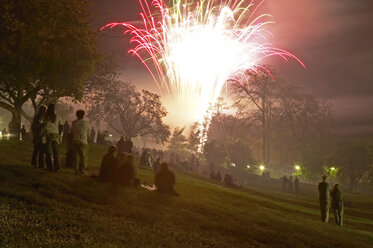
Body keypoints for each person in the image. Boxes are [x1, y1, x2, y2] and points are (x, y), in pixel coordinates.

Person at [44, 103, 63, 171]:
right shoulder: (58, 116)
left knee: (48, 153)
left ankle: (49, 167)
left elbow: (42, 125)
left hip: (47, 135)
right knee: (56, 152)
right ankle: (57, 167)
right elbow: (61, 126)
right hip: (55, 135)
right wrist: (59, 134)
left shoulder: (45, 117)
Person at [71, 110, 90, 175]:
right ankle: (82, 170)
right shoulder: (86, 123)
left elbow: (72, 132)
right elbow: (88, 133)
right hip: (84, 141)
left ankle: (76, 171)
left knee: (76, 157)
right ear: (83, 115)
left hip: (76, 140)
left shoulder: (74, 123)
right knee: (83, 157)